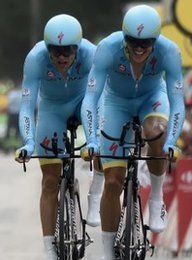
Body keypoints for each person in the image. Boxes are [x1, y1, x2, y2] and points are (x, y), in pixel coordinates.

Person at [79, 5, 185, 259]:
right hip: (116, 103)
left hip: (153, 99)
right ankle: (108, 253)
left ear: (156, 39)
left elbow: (177, 99)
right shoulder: (108, 48)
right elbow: (91, 98)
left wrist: (172, 140)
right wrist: (92, 138)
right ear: (124, 36)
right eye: (133, 41)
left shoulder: (169, 51)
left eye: (146, 43)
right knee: (113, 181)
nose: (139, 48)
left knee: (156, 132)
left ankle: (157, 197)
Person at [13, 14, 104, 259]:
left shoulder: (92, 54)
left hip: (86, 101)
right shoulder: (35, 58)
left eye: (67, 52)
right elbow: (26, 105)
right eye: (55, 51)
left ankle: (96, 188)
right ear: (47, 48)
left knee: (105, 137)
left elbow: (102, 98)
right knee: (49, 181)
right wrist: (29, 142)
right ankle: (49, 247)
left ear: (77, 48)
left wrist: (94, 139)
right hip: (52, 108)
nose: (61, 57)